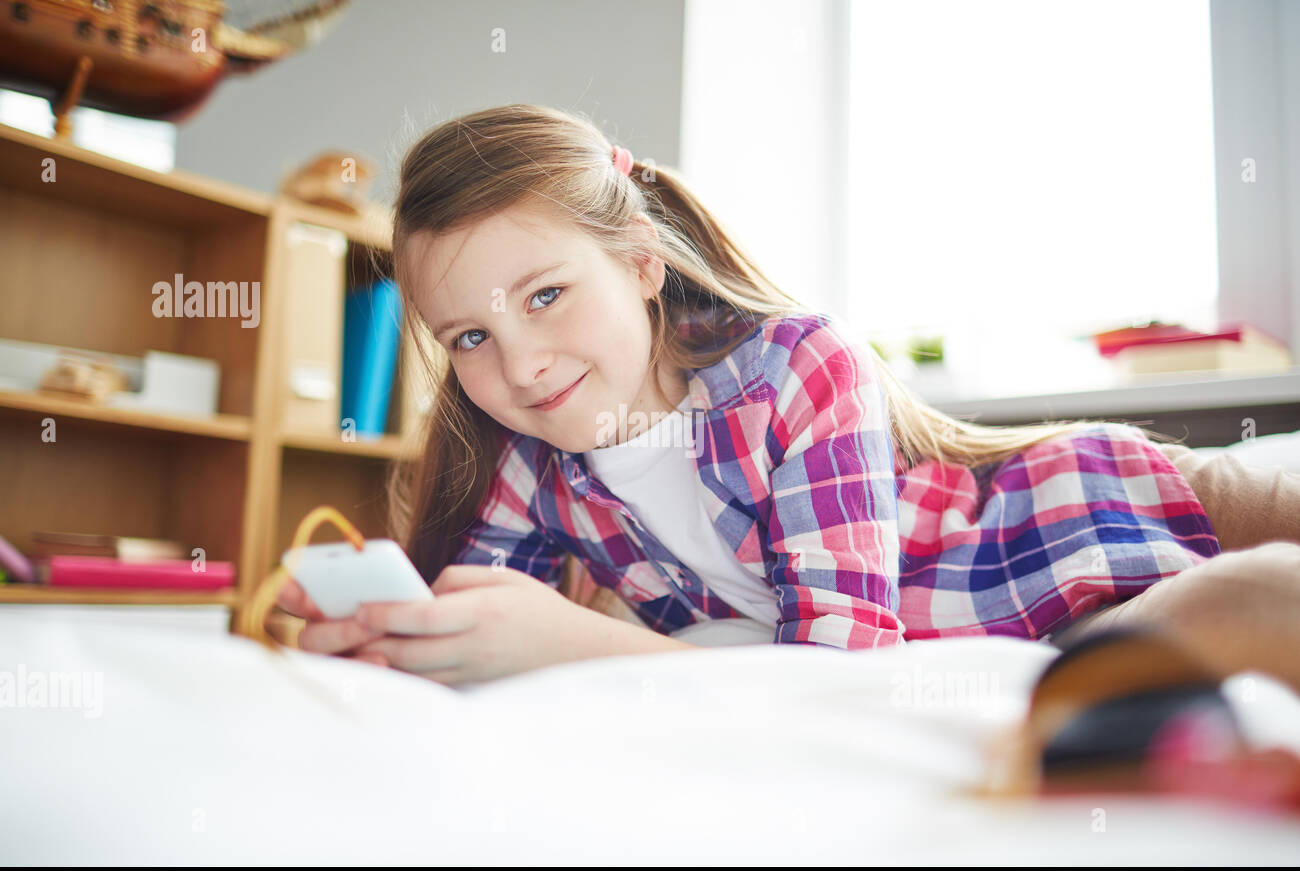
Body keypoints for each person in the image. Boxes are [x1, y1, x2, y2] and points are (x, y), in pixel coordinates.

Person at [274, 104, 1300, 690]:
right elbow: (474, 619)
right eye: (471, 337)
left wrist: (584, 640)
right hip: (1049, 634)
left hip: (1072, 526)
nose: (523, 364)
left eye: (546, 295)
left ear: (639, 262)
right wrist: (374, 626)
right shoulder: (523, 457)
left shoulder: (797, 366)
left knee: (1260, 589)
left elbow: (839, 663)